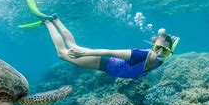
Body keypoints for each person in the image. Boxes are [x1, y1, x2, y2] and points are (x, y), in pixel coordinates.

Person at [42, 17, 178, 80]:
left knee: (72, 46)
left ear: (169, 53)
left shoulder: (160, 62)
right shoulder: (138, 55)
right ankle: (47, 22)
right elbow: (110, 52)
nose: (159, 53)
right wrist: (85, 53)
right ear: (152, 46)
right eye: (157, 48)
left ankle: (55, 19)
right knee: (62, 54)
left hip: (106, 66)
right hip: (103, 62)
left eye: (165, 51)